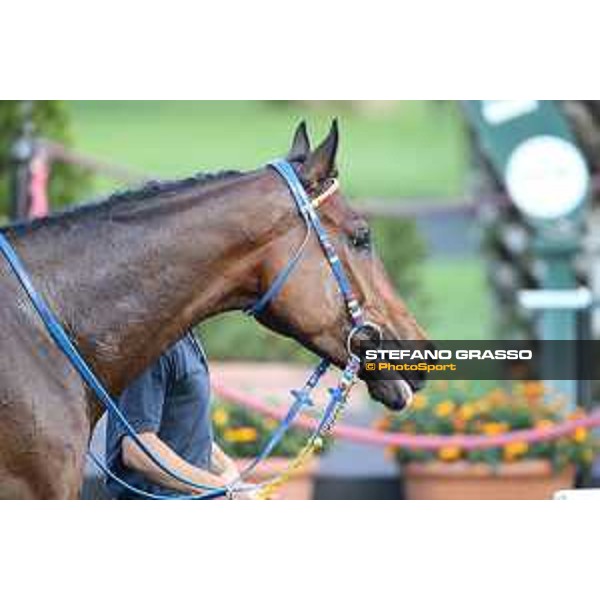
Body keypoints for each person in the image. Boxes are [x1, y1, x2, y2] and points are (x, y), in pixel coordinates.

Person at [105, 331, 247, 499]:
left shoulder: (185, 338)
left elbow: (186, 433)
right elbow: (136, 449)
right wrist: (223, 489)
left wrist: (230, 474)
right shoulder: (152, 346)